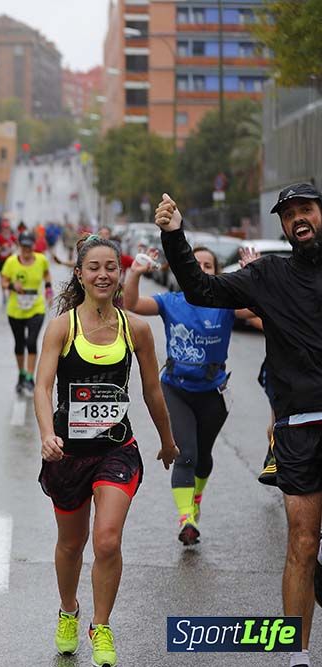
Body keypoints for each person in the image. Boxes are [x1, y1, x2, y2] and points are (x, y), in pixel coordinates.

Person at [156, 184, 322, 667]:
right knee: (302, 542)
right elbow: (202, 291)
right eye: (289, 214)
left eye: (305, 210)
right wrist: (174, 236)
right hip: (297, 426)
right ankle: (298, 657)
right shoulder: (268, 275)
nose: (298, 219)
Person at [34, 235, 178, 667]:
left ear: (120, 273)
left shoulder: (136, 328)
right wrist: (46, 433)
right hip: (67, 454)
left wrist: (168, 441)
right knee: (71, 545)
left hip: (117, 450)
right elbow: (41, 386)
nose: (103, 274)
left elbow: (152, 390)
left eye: (111, 267)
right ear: (79, 274)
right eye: (93, 267)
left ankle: (101, 625)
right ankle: (68, 611)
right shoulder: (63, 326)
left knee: (108, 539)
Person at [123, 246, 260, 545]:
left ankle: (195, 500)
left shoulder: (226, 305)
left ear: (215, 273)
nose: (199, 270)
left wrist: (256, 273)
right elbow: (130, 302)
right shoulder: (170, 301)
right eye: (194, 264)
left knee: (203, 456)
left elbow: (262, 305)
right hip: (176, 389)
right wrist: (134, 271)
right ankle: (187, 518)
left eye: (207, 266)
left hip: (213, 393)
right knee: (186, 453)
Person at [1, 232, 53, 395]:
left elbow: (46, 273)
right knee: (19, 343)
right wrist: (12, 287)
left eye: (29, 247)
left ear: (33, 246)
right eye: (23, 247)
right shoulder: (11, 262)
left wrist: (48, 289)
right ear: (19, 246)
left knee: (31, 341)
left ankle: (30, 376)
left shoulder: (41, 260)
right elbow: (3, 282)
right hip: (15, 309)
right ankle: (21, 375)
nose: (26, 250)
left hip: (36, 308)